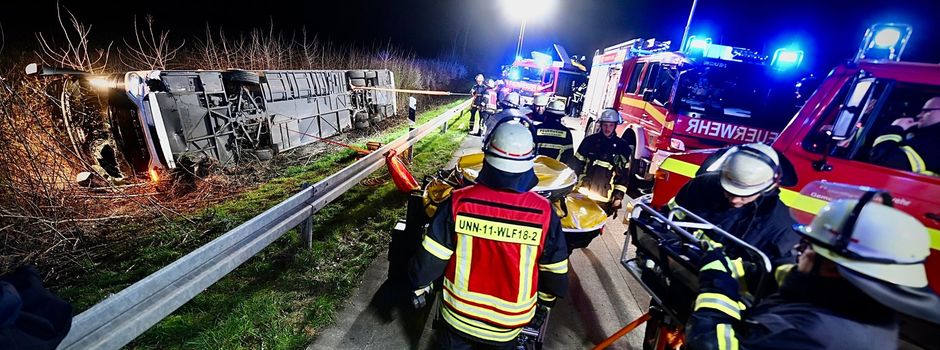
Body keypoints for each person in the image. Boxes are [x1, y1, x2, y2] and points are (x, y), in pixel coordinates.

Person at [685, 195, 940, 349]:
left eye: (808, 247)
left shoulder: (813, 331)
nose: (798, 249)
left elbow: (710, 344)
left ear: (832, 266)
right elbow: (786, 280)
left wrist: (715, 286)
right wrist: (735, 268)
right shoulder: (858, 304)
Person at [409, 118, 569, 349]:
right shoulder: (544, 213)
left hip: (458, 318)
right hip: (507, 327)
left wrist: (417, 284)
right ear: (529, 161)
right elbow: (556, 275)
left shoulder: (458, 202)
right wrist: (544, 303)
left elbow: (430, 259)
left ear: (487, 155)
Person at [667, 143, 800, 267]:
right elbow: (670, 215)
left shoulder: (782, 230)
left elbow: (775, 280)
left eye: (745, 195)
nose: (735, 200)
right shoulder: (703, 186)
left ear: (768, 187)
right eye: (729, 191)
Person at [571, 108, 632, 215]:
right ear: (601, 124)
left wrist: (618, 196)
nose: (607, 128)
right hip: (582, 193)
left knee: (595, 229)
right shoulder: (589, 141)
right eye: (605, 125)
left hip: (604, 199)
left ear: (615, 126)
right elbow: (575, 165)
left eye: (611, 125)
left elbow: (623, 177)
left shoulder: (622, 147)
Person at [870, 96, 940, 176]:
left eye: (926, 111)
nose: (919, 115)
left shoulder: (934, 143)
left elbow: (882, 162)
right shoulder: (926, 136)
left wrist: (895, 128)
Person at [532, 100, 574, 164]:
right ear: (561, 116)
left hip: (536, 168)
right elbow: (568, 157)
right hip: (556, 170)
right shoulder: (566, 132)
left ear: (546, 113)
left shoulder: (536, 129)